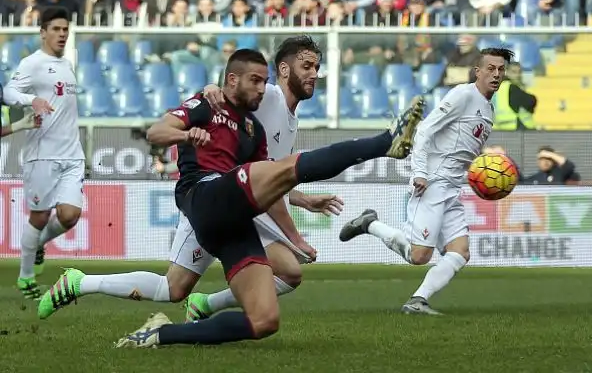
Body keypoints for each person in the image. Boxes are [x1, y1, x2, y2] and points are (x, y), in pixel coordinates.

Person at [110, 47, 422, 347]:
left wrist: (295, 235)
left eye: (263, 81)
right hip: (205, 193)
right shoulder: (249, 98)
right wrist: (192, 123)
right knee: (288, 167)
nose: (261, 88)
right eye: (256, 81)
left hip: (232, 218)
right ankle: (385, 142)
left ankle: (159, 335)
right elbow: (157, 132)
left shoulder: (255, 129)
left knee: (264, 321)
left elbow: (271, 187)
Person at [36, 36, 344, 320]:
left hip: (241, 207)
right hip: (213, 199)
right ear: (283, 69)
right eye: (306, 66)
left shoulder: (290, 121)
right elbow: (229, 93)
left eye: (316, 66)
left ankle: (205, 304)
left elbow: (265, 175)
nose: (315, 73)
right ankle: (81, 282)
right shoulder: (270, 97)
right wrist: (211, 87)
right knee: (173, 289)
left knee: (289, 273)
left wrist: (303, 200)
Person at [338, 48, 514, 316]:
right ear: (477, 71)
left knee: (460, 252)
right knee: (419, 256)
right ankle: (369, 224)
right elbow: (425, 129)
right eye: (490, 68)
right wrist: (420, 171)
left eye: (501, 69)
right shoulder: (463, 95)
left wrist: (485, 167)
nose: (496, 74)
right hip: (432, 183)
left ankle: (418, 300)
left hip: (453, 188)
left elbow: (462, 146)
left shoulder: (488, 108)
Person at [3, 6, 84, 300]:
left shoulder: (68, 63)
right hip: (42, 153)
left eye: (65, 29)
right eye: (56, 29)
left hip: (72, 153)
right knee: (39, 217)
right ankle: (25, 277)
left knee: (71, 215)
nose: (62, 34)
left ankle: (37, 245)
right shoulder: (33, 63)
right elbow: (9, 92)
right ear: (43, 32)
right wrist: (31, 99)